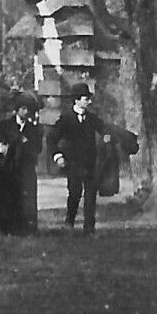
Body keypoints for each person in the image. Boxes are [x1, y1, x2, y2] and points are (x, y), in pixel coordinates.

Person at [49, 82, 111, 233]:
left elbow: (103, 128)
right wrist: (58, 156)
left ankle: (89, 228)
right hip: (73, 163)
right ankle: (69, 222)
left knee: (90, 194)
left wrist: (106, 135)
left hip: (90, 163)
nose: (89, 102)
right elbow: (51, 138)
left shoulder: (91, 118)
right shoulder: (66, 118)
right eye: (85, 98)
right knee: (75, 193)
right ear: (76, 100)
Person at [0, 94, 43, 235]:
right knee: (6, 195)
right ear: (17, 109)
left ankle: (25, 226)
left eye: (28, 109)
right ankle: (3, 226)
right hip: (8, 166)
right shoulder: (6, 124)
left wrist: (23, 144)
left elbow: (37, 148)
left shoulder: (33, 129)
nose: (26, 112)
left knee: (25, 196)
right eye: (23, 108)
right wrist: (0, 148)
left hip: (25, 168)